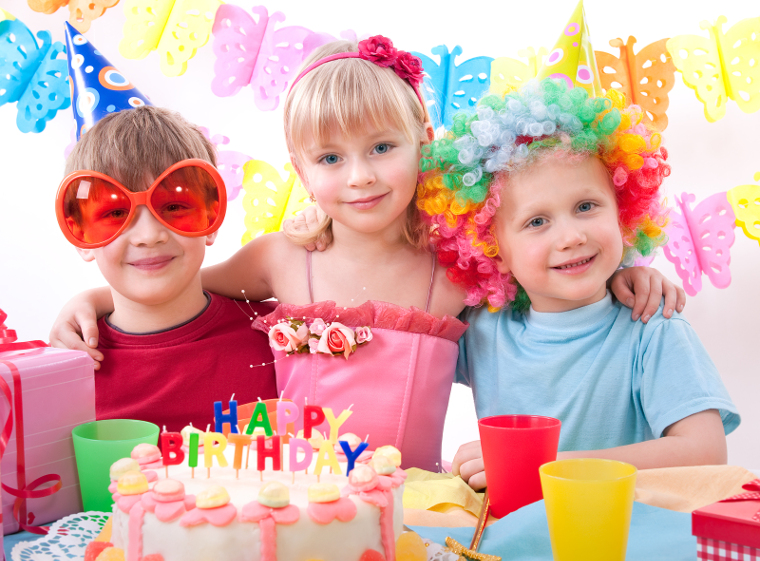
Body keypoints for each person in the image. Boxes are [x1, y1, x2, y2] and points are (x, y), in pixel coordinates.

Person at [51, 38, 683, 470]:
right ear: (300, 168)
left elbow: (553, 267)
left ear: (423, 141)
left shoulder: (458, 263)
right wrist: (91, 296)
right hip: (295, 502)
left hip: (414, 503)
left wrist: (628, 275)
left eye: (383, 147)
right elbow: (188, 284)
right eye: (331, 158)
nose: (360, 177)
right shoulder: (279, 260)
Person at [415, 79, 739, 489]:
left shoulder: (652, 327)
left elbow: (705, 453)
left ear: (623, 214)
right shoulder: (483, 330)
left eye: (586, 207)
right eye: (537, 221)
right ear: (492, 247)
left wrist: (546, 464)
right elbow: (395, 322)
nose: (570, 237)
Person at [55, 106, 277, 431]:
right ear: (79, 233)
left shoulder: (281, 334)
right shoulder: (64, 376)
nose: (148, 236)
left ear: (212, 216)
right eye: (115, 213)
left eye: (173, 206)